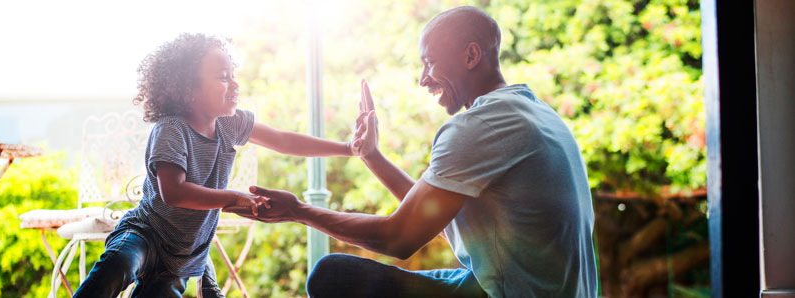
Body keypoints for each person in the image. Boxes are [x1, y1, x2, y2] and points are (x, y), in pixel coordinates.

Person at [234, 6, 598, 298]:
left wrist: (298, 210)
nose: (423, 78)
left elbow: (399, 238)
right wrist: (371, 156)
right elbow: (432, 215)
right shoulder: (530, 111)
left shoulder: (481, 125)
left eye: (429, 63)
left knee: (332, 276)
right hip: (531, 285)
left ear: (471, 55)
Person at [72, 33, 366, 298]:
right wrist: (235, 197)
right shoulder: (172, 130)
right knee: (118, 265)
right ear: (189, 89)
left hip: (183, 256)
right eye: (223, 77)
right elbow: (173, 192)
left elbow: (284, 141)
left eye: (233, 74)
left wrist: (347, 148)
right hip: (145, 234)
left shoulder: (231, 124)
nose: (235, 83)